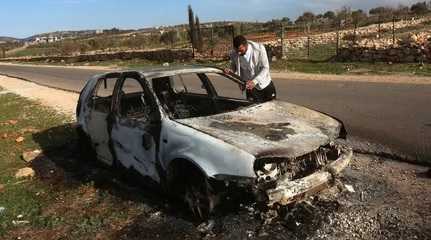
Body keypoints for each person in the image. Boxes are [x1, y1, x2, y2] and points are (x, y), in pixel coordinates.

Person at [224, 35, 276, 103]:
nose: (238, 53)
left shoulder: (259, 49)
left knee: (271, 110)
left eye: (241, 50)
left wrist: (255, 81)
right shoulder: (234, 53)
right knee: (253, 111)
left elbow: (265, 68)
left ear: (246, 45)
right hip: (250, 88)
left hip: (265, 85)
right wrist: (231, 70)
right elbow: (234, 65)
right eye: (237, 50)